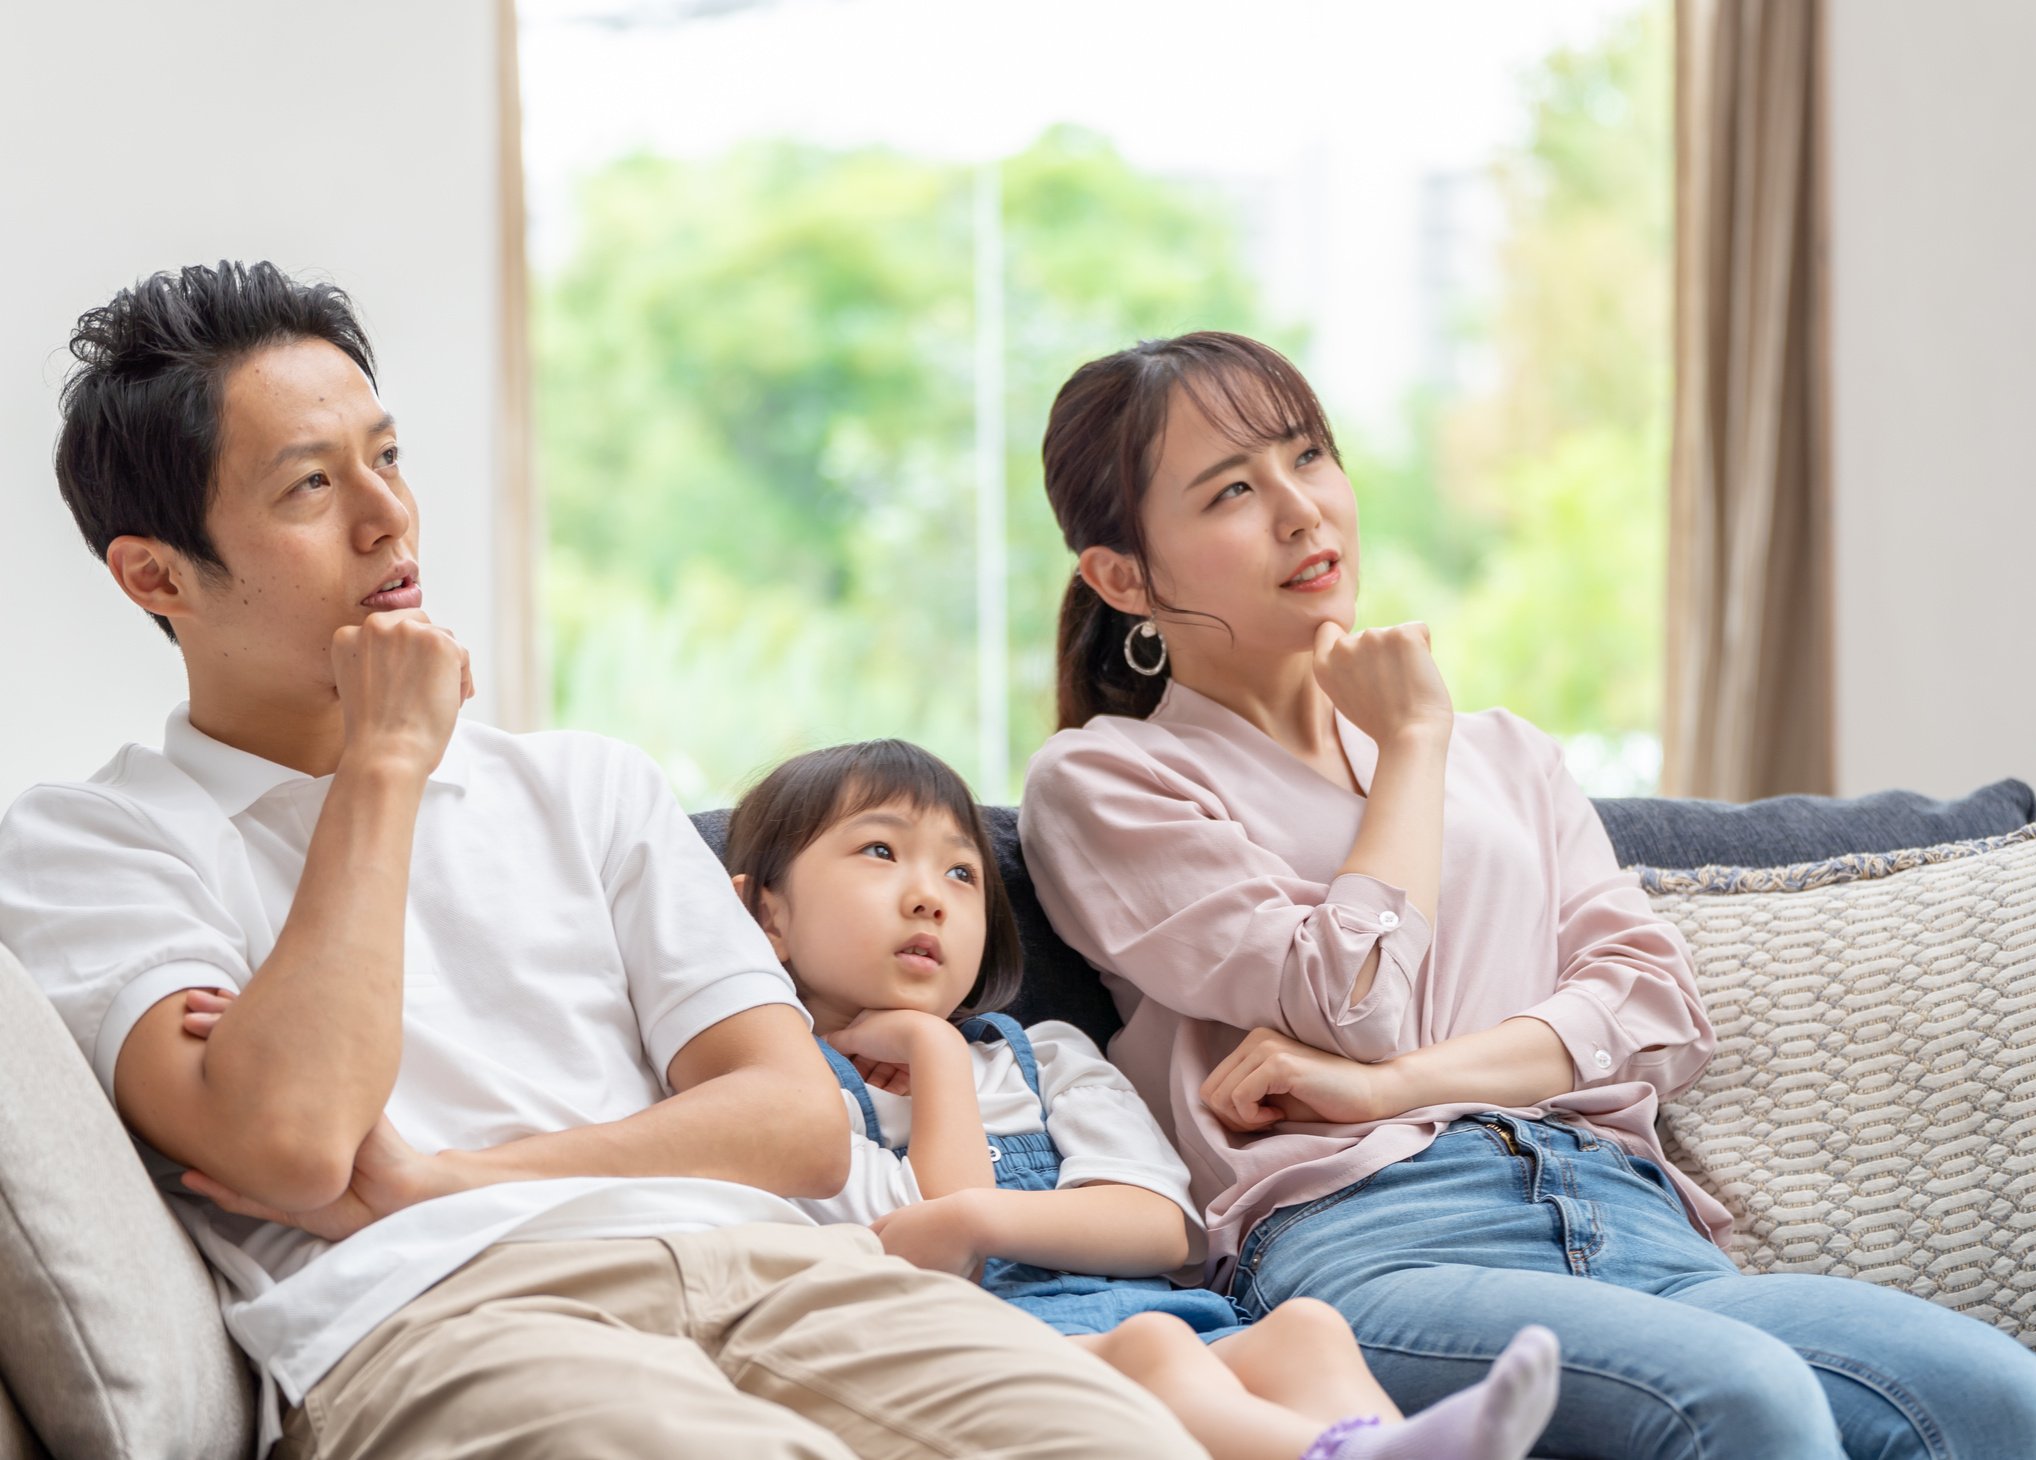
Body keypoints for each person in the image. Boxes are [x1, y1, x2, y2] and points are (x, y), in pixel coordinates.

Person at [0, 261, 1206, 1460]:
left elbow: (795, 1123)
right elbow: (297, 1139)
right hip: (442, 1317)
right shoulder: (95, 844)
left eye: (388, 455)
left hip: (781, 1272)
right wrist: (381, 770)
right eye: (312, 485)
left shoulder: (587, 786)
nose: (389, 518)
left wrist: (447, 1173)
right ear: (156, 573)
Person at [1015, 331, 2036, 1459]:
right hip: (1379, 1244)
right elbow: (1349, 994)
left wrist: (1387, 1084)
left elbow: (1653, 1005)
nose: (1301, 510)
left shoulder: (1508, 756)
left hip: (1631, 1223)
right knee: (1741, 1398)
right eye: (1232, 489)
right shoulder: (1109, 779)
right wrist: (1414, 741)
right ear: (1122, 576)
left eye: (1308, 455)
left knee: (2003, 1400)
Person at [718, 738, 1562, 1460]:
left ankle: (1375, 1444)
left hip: (1167, 1318)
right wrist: (934, 1059)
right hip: (987, 1361)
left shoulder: (1044, 1055)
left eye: (962, 871)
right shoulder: (775, 1095)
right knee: (1155, 1349)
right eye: (878, 852)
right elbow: (942, 1267)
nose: (928, 892)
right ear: (764, 915)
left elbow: (1164, 1228)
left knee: (1307, 1330)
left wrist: (980, 1215)